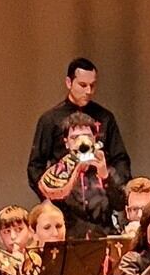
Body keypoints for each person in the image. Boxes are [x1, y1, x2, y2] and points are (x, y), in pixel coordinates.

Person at [26, 56, 130, 195]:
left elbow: (120, 159)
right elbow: (35, 166)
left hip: (99, 198)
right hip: (64, 200)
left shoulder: (105, 117)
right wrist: (50, 196)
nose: (88, 91)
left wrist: (116, 189)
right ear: (69, 82)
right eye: (82, 85)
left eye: (92, 85)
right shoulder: (50, 119)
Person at [36, 114, 124, 238]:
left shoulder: (107, 169)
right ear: (66, 143)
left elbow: (120, 205)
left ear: (94, 138)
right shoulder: (58, 174)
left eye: (87, 136)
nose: (81, 142)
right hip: (72, 244)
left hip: (103, 242)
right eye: (74, 138)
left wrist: (105, 177)